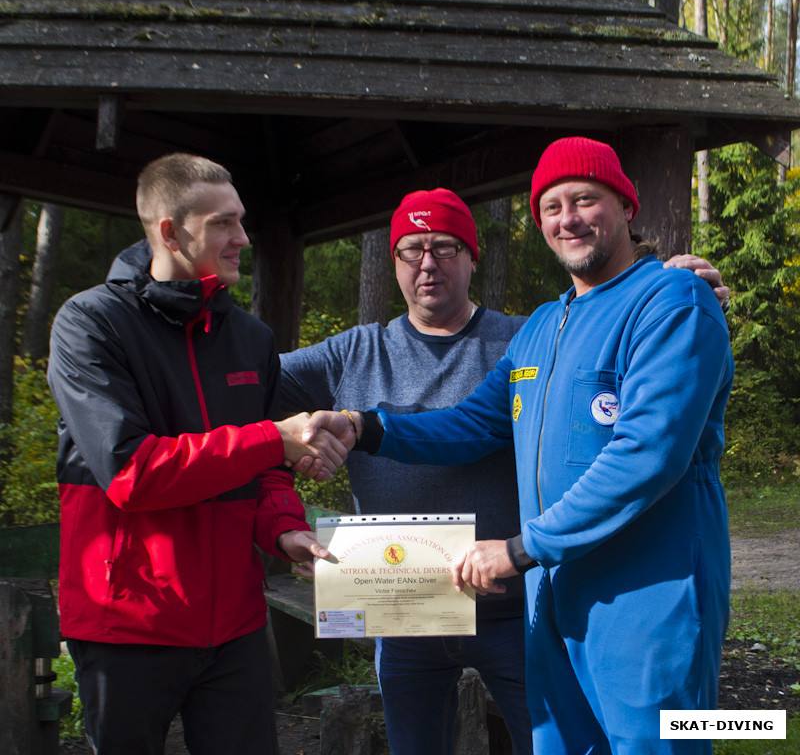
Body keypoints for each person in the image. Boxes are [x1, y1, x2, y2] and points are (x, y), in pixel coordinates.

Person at [283, 181, 730, 755]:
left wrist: (518, 548)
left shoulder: (668, 301)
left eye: (586, 200)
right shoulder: (547, 327)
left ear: (627, 207)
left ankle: (764, 725)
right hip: (541, 596)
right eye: (551, 207)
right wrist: (366, 427)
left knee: (668, 735)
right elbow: (469, 424)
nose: (568, 219)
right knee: (567, 742)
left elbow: (650, 451)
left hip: (641, 593)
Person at [47, 153, 344, 755]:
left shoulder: (250, 337)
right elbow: (133, 473)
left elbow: (264, 473)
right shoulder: (88, 324)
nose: (243, 238)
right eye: (223, 224)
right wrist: (276, 438)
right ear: (169, 231)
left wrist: (286, 531)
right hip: (127, 624)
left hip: (234, 624)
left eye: (242, 221)